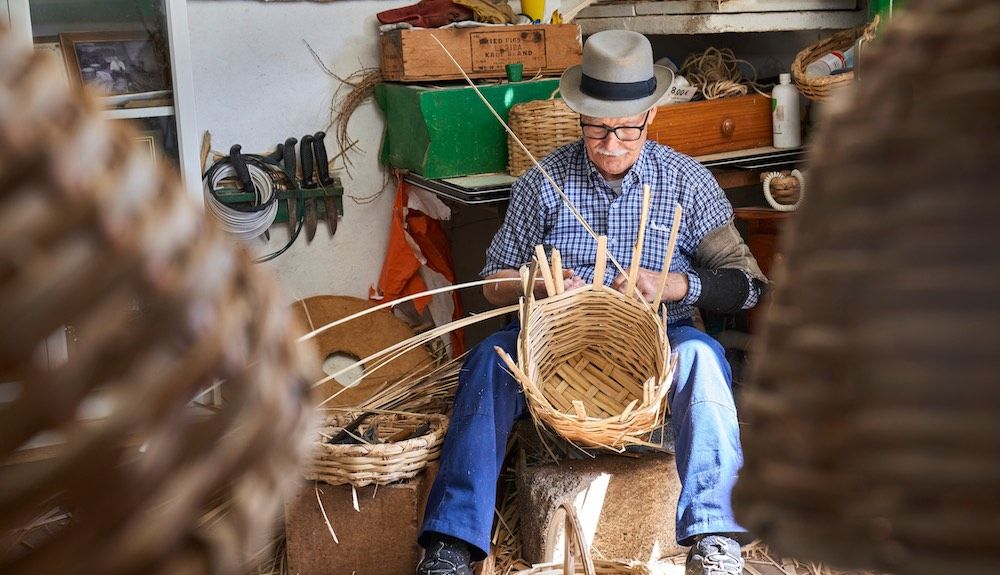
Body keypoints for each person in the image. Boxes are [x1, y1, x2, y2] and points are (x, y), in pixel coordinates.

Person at [415, 30, 767, 575]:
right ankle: (452, 544)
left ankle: (714, 537)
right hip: (551, 350)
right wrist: (536, 283)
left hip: (659, 342)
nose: (608, 143)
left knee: (701, 357)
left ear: (649, 119)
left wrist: (672, 285)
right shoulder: (544, 181)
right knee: (489, 360)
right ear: (578, 118)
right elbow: (491, 283)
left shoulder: (686, 183)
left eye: (625, 130)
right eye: (596, 128)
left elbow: (748, 284)